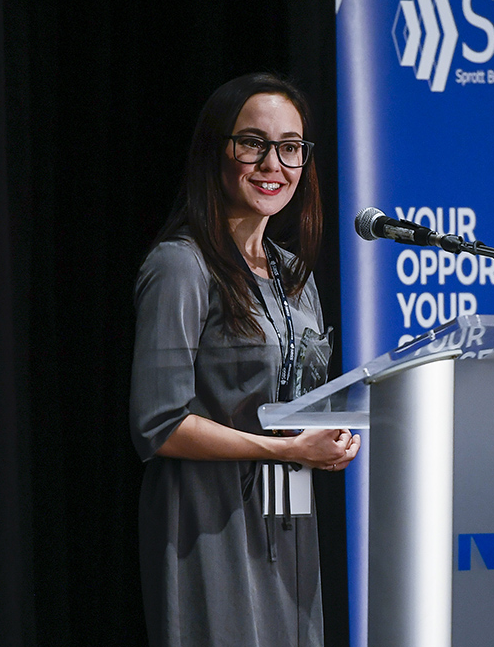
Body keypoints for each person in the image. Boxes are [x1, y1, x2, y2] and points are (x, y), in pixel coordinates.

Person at [130, 72, 360, 647]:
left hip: (290, 515)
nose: (272, 164)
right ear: (218, 150)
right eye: (252, 143)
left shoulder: (294, 277)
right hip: (207, 522)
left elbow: (302, 394)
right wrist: (283, 448)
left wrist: (334, 433)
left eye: (289, 148)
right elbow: (159, 425)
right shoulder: (181, 266)